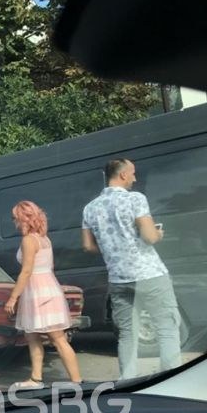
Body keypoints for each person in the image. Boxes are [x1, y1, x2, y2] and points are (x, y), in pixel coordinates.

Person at [82, 158, 181, 379]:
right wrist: (158, 234)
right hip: (149, 274)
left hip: (118, 279)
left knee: (127, 334)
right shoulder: (135, 199)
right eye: (133, 173)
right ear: (123, 175)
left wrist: (112, 247)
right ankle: (172, 378)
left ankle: (128, 381)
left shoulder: (90, 208)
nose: (135, 178)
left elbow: (88, 246)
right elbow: (148, 236)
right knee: (166, 327)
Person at [5, 201, 82, 388]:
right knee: (34, 336)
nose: (15, 222)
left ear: (24, 218)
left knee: (56, 338)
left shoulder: (29, 240)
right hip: (47, 288)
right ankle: (36, 378)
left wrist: (13, 297)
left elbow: (26, 271)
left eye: (16, 218)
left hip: (38, 292)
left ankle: (77, 381)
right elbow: (50, 266)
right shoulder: (44, 239)